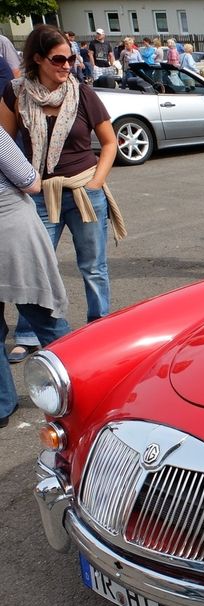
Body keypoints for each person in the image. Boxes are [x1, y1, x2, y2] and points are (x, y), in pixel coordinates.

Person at [1, 25, 124, 363]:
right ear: (37, 59)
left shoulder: (82, 93)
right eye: (59, 59)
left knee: (93, 267)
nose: (67, 65)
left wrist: (96, 183)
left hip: (84, 191)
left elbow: (109, 143)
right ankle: (30, 334)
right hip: (38, 193)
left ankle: (99, 329)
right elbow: (4, 146)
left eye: (70, 58)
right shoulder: (16, 93)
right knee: (35, 268)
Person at [0, 126, 71, 427]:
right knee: (46, 318)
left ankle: (2, 404)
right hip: (10, 231)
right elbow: (30, 182)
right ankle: (78, 385)